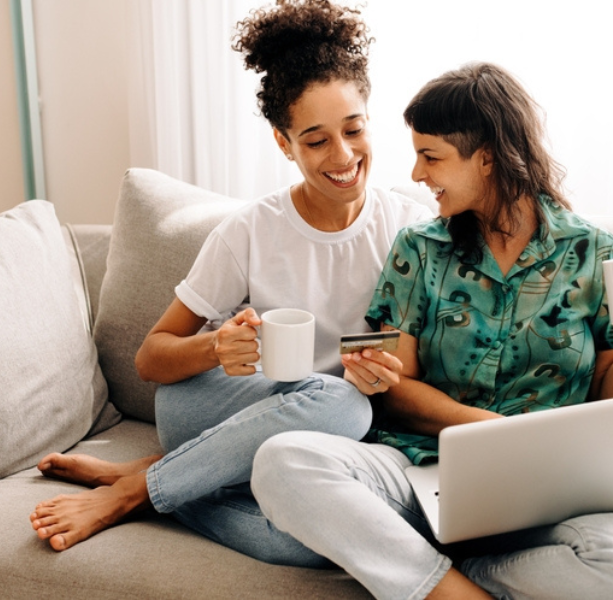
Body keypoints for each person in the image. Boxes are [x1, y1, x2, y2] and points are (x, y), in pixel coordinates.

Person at [250, 62, 613, 599]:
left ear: (487, 156)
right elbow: (398, 393)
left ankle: (432, 572)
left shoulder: (594, 252)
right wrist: (492, 430)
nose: (417, 174)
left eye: (431, 156)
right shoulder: (418, 249)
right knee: (283, 460)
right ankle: (446, 591)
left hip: (543, 489)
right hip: (421, 470)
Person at [28, 0, 428, 560]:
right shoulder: (251, 230)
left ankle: (164, 484)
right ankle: (139, 490)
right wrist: (216, 346)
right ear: (283, 143)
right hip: (216, 408)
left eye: (354, 129)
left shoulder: (410, 229)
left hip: (316, 436)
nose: (343, 155)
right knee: (345, 406)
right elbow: (151, 358)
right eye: (315, 140)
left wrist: (395, 373)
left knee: (315, 538)